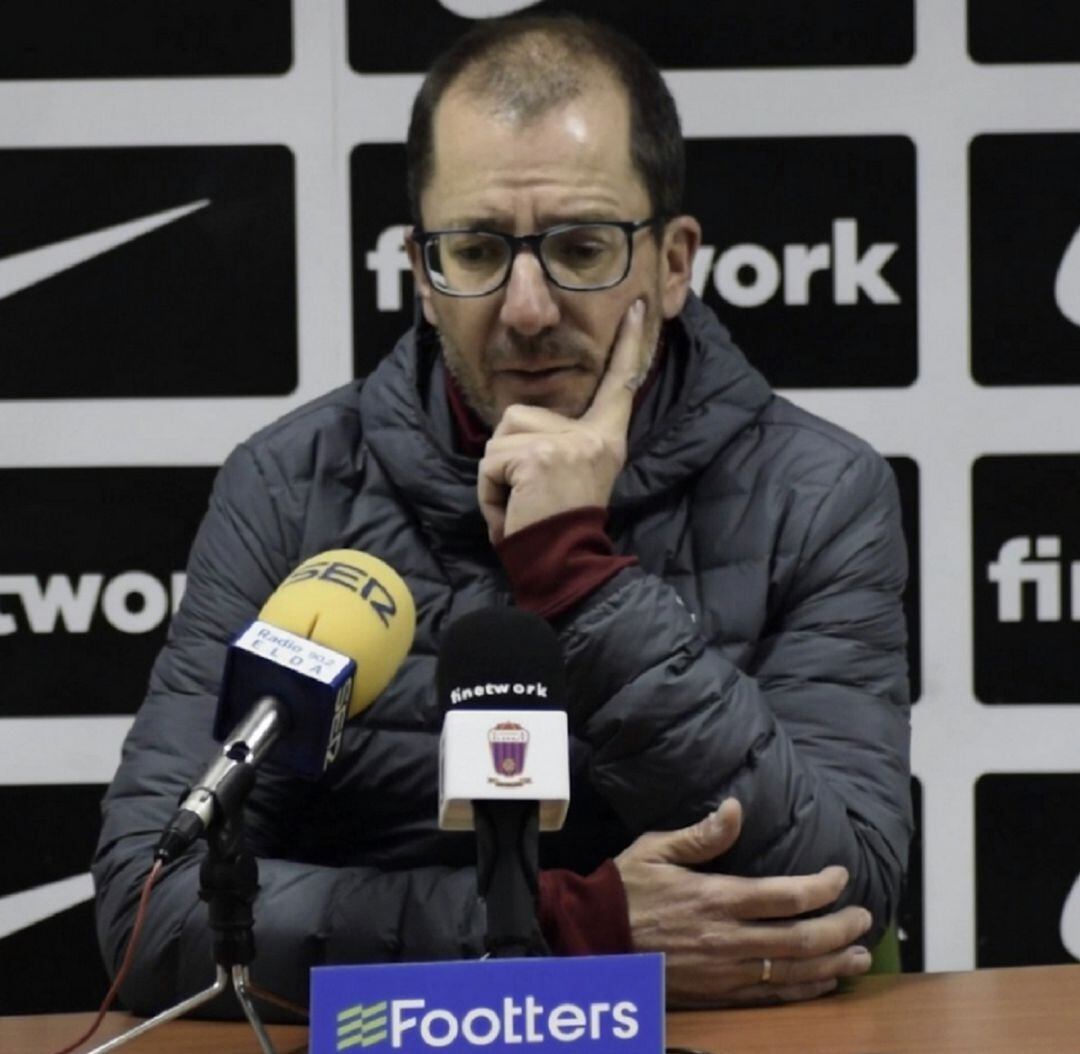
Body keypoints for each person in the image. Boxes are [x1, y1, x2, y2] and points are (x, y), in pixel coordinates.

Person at [93, 14, 911, 1013]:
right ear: (421, 277)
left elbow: (844, 889)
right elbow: (157, 905)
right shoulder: (288, 487)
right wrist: (564, 931)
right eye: (477, 251)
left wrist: (576, 573)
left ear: (674, 262)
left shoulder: (817, 492)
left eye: (581, 246)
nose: (527, 306)